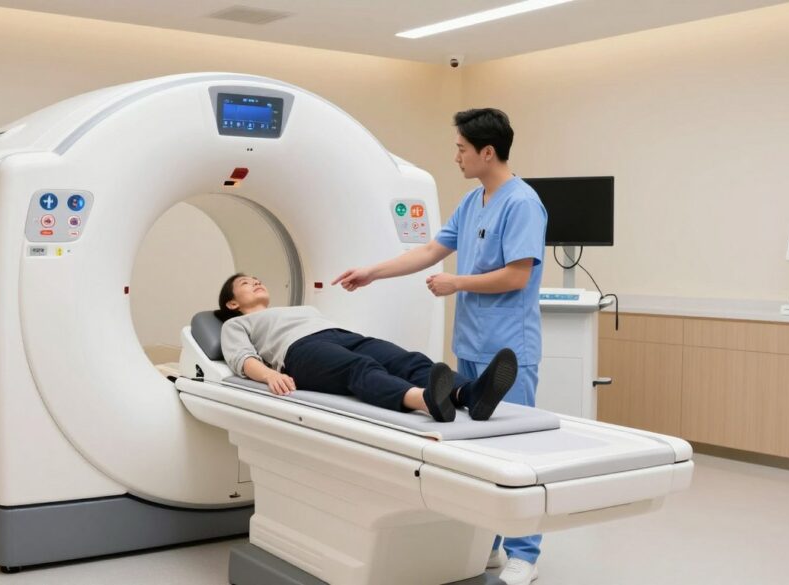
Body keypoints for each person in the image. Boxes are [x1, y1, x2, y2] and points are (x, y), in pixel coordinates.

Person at [332, 108, 546, 585]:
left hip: (509, 345)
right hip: (471, 341)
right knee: (479, 450)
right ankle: (487, 541)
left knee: (516, 450)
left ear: (486, 151)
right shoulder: (474, 200)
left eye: (461, 149)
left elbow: (517, 274)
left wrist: (456, 284)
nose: (456, 156)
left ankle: (525, 552)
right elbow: (430, 250)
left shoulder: (522, 203)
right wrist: (373, 272)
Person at [215, 273, 517, 423]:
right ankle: (425, 401)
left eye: (257, 279)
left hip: (338, 334)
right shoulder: (236, 325)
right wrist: (269, 375)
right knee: (359, 369)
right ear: (232, 303)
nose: (255, 282)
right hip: (299, 352)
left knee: (406, 360)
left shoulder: (300, 309)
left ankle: (469, 393)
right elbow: (243, 359)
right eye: (245, 283)